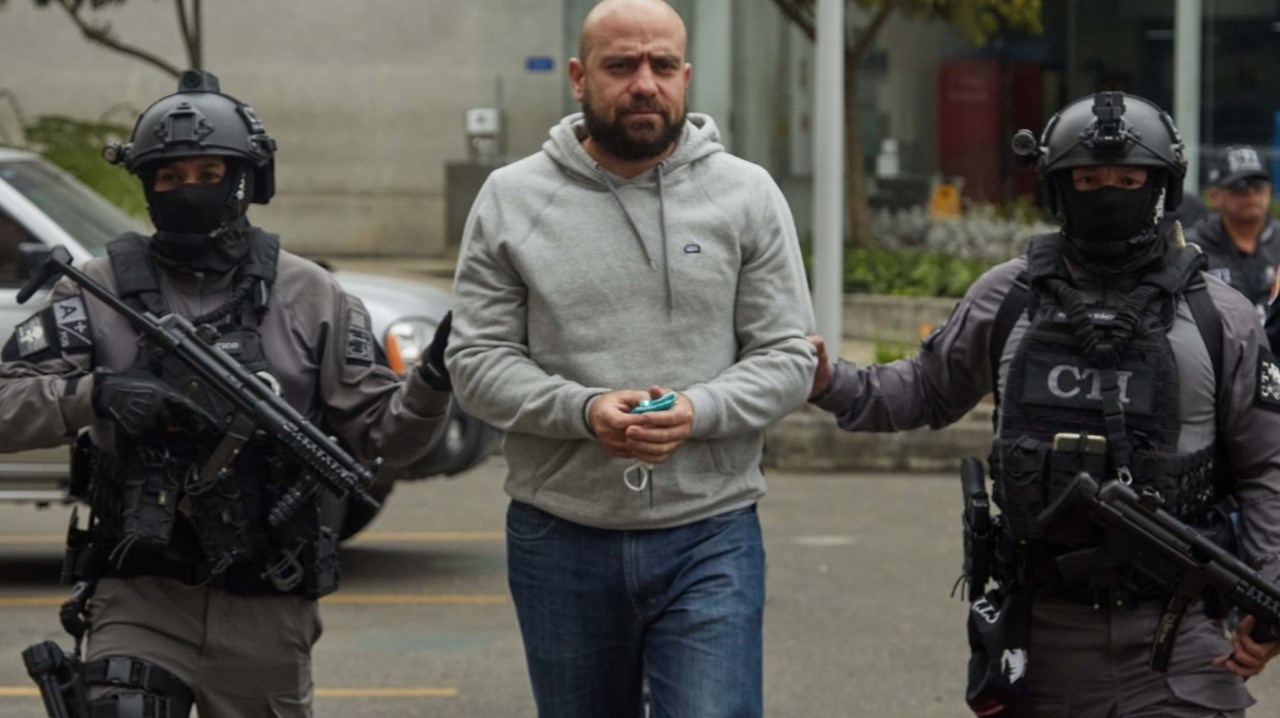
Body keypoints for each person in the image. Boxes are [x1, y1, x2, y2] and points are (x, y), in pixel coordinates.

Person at [809, 92, 1280, 716]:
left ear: (1162, 187)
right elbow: (923, 389)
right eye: (1088, 180)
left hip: (1182, 643)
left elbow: (1266, 466)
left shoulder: (1221, 317)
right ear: (1059, 187)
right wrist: (825, 380)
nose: (1108, 194)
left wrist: (1270, 593)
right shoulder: (1007, 296)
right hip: (1041, 641)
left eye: (1129, 180)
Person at [0, 71, 453, 717]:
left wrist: (435, 379)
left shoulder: (313, 295)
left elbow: (386, 438)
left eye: (209, 173)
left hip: (266, 600)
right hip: (140, 591)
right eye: (169, 176)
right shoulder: (95, 290)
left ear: (248, 179)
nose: (189, 189)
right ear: (147, 184)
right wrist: (94, 394)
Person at [445, 1, 816, 715]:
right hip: (560, 535)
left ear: (686, 77)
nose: (645, 83)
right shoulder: (512, 198)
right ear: (579, 77)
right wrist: (583, 410)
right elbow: (478, 362)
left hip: (711, 531)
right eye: (621, 65)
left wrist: (697, 410)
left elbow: (787, 356)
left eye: (662, 65)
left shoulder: (746, 193)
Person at [1186, 145, 1278, 316]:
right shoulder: (1191, 249)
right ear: (1215, 196)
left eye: (1258, 184)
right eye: (1239, 186)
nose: (1251, 192)